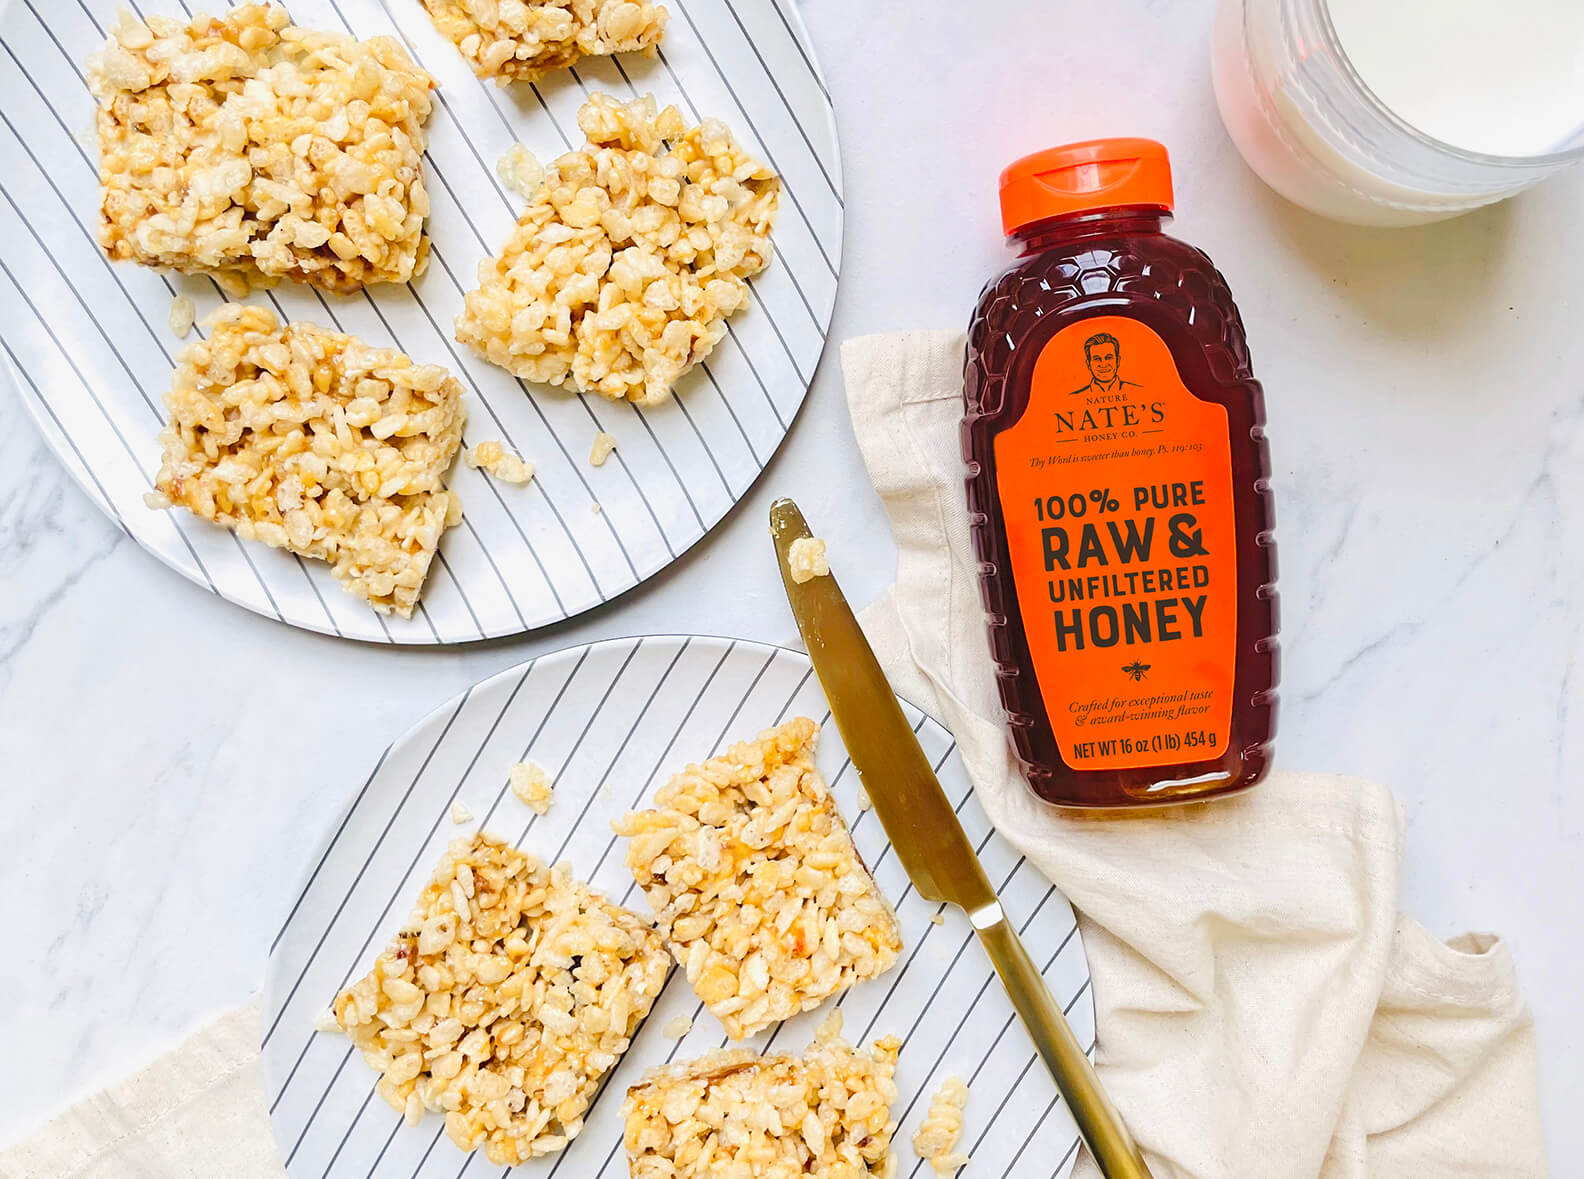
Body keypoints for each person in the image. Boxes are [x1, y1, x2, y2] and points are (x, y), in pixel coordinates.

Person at [1071, 331, 1139, 395]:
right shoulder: (1075, 397)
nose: (1103, 364)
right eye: (1097, 359)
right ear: (1088, 364)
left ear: (1118, 361)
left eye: (1108, 358)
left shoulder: (1138, 391)